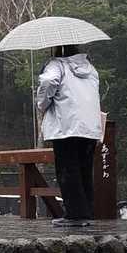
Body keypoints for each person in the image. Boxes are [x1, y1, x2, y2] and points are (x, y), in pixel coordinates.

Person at [35, 44, 103, 229]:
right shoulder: (90, 68)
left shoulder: (57, 65)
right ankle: (86, 212)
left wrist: (42, 103)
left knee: (67, 170)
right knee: (84, 170)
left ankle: (74, 215)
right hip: (89, 127)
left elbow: (48, 81)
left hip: (66, 126)